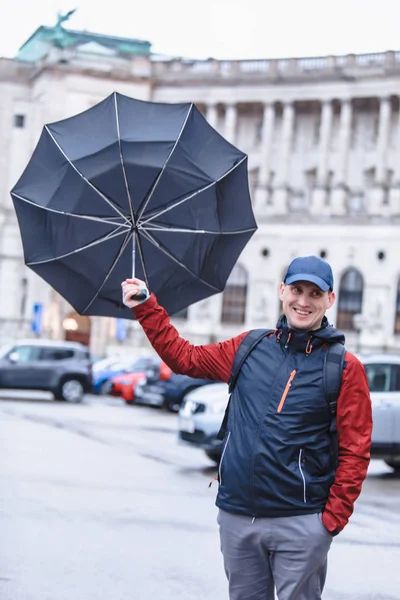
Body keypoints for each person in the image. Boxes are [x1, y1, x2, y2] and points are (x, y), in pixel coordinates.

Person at [121, 255, 372, 600]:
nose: (303, 301)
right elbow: (185, 358)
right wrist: (147, 307)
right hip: (238, 514)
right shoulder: (249, 346)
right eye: (297, 289)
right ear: (282, 291)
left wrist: (330, 522)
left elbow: (355, 449)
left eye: (315, 294)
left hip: (301, 521)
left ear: (330, 300)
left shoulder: (344, 367)